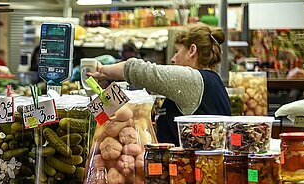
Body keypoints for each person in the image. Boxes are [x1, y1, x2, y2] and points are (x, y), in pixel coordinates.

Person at [93, 24, 231, 144]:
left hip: (190, 169)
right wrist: (97, 107)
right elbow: (137, 100)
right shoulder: (212, 81)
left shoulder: (192, 80)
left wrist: (102, 70)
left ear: (192, 51)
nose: (172, 59)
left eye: (177, 51)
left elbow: (137, 70)